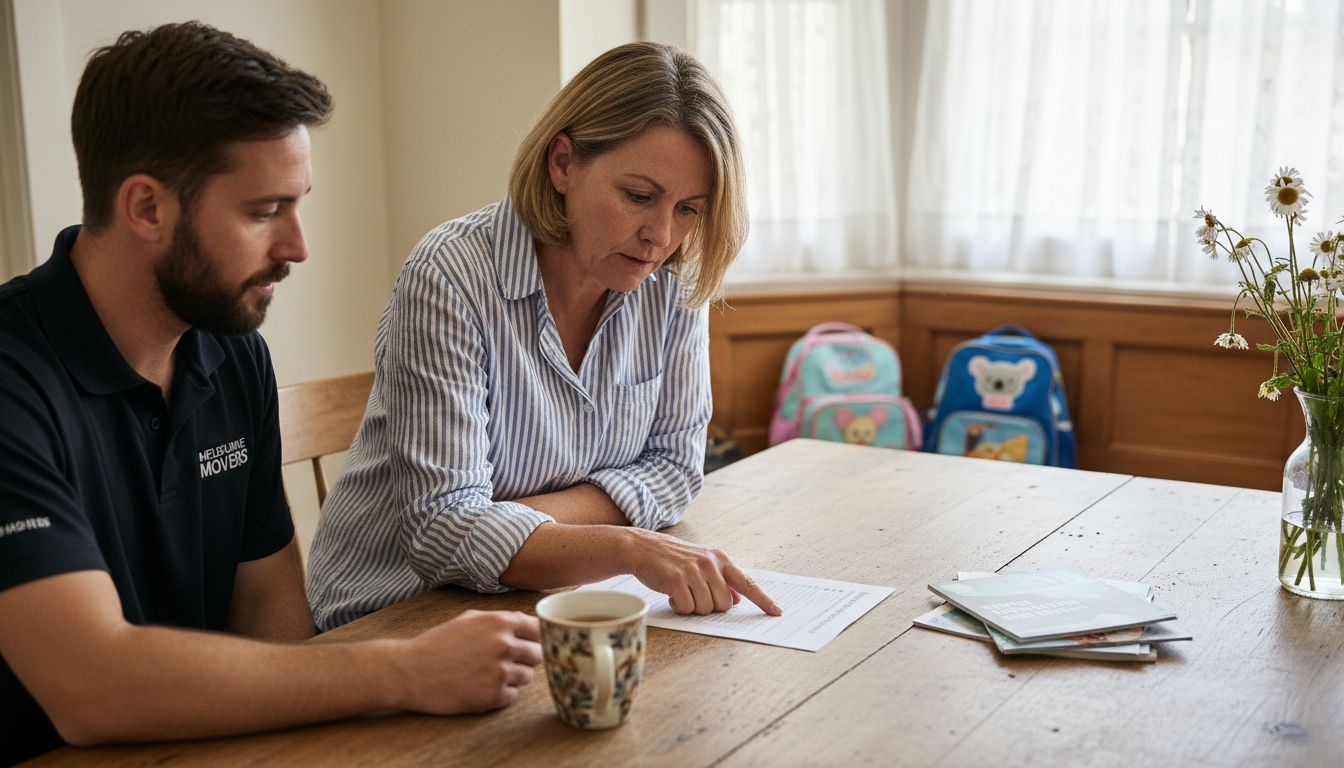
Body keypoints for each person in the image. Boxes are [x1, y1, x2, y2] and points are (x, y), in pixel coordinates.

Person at [0, 22, 540, 765]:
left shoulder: (231, 354)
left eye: (298, 204)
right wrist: (404, 668)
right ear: (146, 207)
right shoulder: (11, 378)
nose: (298, 246)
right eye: (263, 212)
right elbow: (91, 688)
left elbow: (272, 621)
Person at [306, 42, 782, 631]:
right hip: (395, 615)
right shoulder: (451, 277)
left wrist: (509, 523)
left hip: (544, 597)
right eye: (639, 196)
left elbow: (675, 470)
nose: (661, 234)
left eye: (689, 208)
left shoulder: (673, 281)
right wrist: (628, 546)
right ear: (563, 163)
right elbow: (441, 532)